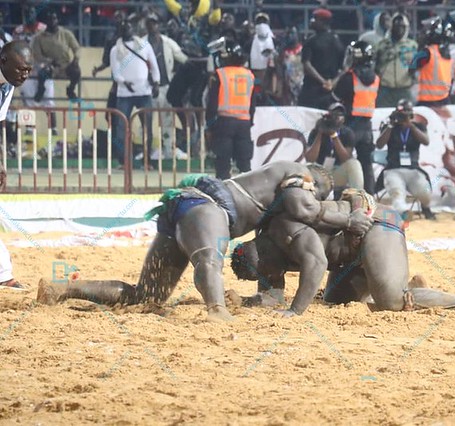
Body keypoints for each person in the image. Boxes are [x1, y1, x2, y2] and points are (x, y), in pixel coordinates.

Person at [37, 161, 374, 322]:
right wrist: (348, 218)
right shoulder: (297, 173)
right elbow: (305, 208)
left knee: (147, 295)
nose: (315, 198)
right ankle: (216, 310)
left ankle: (63, 289)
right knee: (210, 258)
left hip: (186, 208)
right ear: (313, 180)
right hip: (208, 207)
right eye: (317, 192)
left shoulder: (273, 199)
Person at [230, 189, 455, 316]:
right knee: (336, 301)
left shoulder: (287, 229)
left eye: (263, 274)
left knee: (392, 303)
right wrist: (247, 301)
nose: (267, 277)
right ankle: (411, 286)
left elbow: (316, 264)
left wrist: (295, 310)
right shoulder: (265, 254)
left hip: (376, 225)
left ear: (262, 259)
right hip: (350, 258)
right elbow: (274, 298)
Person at [0, 41, 32, 290]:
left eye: (29, 70)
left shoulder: (8, 85)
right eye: (21, 69)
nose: (26, 75)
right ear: (4, 62)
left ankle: (3, 274)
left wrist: (0, 162)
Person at [110, 19, 160, 167]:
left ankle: (147, 160)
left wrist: (156, 82)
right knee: (121, 128)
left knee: (147, 127)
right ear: (120, 30)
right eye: (123, 27)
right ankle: (124, 161)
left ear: (133, 29)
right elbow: (116, 71)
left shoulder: (144, 45)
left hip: (144, 91)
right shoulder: (115, 50)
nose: (127, 29)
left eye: (129, 27)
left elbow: (154, 66)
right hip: (125, 93)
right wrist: (124, 82)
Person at [375, 99, 436, 220]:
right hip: (393, 168)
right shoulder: (389, 126)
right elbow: (379, 144)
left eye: (407, 112)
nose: (404, 115)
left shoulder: (418, 126)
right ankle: (404, 212)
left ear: (412, 114)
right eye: (402, 112)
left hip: (413, 169)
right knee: (397, 192)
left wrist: (410, 125)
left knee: (425, 193)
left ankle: (426, 207)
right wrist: (391, 125)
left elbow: (426, 141)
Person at [334, 40, 379, 194]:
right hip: (367, 126)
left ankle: (338, 197)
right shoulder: (376, 78)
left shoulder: (349, 77)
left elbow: (336, 95)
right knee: (366, 164)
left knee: (341, 161)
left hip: (350, 125)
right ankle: (370, 198)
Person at [206, 41, 256, 180]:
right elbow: (253, 104)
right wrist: (250, 122)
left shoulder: (220, 74)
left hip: (224, 123)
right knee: (245, 165)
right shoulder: (249, 75)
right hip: (244, 123)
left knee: (223, 163)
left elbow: (212, 103)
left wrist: (209, 125)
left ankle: (222, 195)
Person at [144, 13, 189, 160]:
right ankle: (147, 152)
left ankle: (168, 150)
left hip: (165, 87)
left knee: (167, 120)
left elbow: (182, 57)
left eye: (155, 23)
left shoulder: (167, 42)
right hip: (146, 88)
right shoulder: (141, 43)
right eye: (150, 23)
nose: (152, 26)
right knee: (146, 122)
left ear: (159, 25)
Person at [305, 102, 364, 192]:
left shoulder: (347, 133)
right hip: (319, 173)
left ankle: (357, 197)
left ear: (344, 119)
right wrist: (320, 133)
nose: (337, 117)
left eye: (340, 115)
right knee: (307, 167)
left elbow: (345, 158)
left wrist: (334, 135)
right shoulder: (316, 131)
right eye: (334, 114)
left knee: (354, 164)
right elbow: (310, 158)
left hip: (336, 173)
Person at [298, 8, 345, 110]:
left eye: (315, 18)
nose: (312, 21)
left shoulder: (311, 41)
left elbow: (307, 65)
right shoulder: (338, 41)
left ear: (324, 22)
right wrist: (332, 82)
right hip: (331, 90)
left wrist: (323, 81)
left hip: (311, 90)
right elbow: (344, 68)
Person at [31, 11, 81, 100]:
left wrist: (76, 59)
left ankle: (70, 89)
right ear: (46, 21)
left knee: (77, 71)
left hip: (66, 66)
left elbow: (76, 48)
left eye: (54, 18)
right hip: (50, 66)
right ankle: (41, 90)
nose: (53, 21)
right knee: (42, 73)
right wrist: (48, 61)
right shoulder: (38, 37)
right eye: (50, 19)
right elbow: (37, 55)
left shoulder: (66, 33)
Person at [373, 13, 417, 108]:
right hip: (385, 90)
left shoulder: (413, 46)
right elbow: (374, 66)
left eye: (402, 26)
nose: (399, 28)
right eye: (396, 25)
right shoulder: (381, 45)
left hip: (405, 89)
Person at [414, 17, 453, 107]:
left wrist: (420, 45)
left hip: (427, 101)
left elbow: (412, 67)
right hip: (444, 99)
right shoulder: (446, 52)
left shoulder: (427, 52)